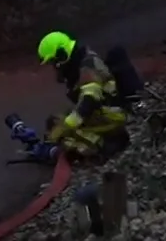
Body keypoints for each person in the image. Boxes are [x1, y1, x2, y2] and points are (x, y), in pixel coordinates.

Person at [36, 30, 131, 159]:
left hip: (115, 114)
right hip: (103, 112)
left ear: (62, 55)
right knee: (55, 122)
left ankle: (102, 146)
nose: (55, 67)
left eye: (54, 62)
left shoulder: (87, 64)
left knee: (67, 129)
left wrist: (66, 126)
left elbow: (89, 98)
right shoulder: (78, 65)